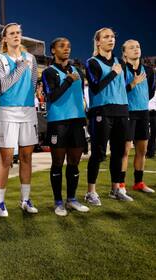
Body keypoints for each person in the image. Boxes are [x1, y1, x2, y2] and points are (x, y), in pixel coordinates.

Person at [0, 23, 38, 217]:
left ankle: (25, 199)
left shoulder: (31, 58)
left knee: (27, 157)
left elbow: (33, 84)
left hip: (28, 111)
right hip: (7, 112)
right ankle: (0, 203)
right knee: (6, 159)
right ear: (5, 39)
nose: (16, 36)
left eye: (18, 32)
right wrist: (19, 68)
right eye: (11, 33)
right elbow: (3, 86)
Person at [42, 38, 90, 216]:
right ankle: (58, 202)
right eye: (62, 46)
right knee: (57, 163)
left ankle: (72, 199)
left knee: (74, 163)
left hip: (77, 121)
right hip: (58, 122)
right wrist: (68, 81)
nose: (66, 49)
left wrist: (85, 118)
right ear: (53, 50)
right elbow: (52, 96)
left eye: (69, 46)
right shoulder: (48, 72)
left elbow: (81, 98)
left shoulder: (78, 71)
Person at [84, 27, 132, 206]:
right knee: (98, 153)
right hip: (101, 112)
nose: (111, 39)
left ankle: (116, 189)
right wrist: (113, 72)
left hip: (121, 111)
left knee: (119, 153)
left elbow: (121, 88)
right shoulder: (92, 62)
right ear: (98, 42)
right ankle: (91, 192)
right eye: (106, 37)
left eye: (112, 36)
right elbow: (95, 87)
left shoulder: (120, 62)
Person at [120, 40, 155, 193]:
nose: (136, 50)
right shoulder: (120, 69)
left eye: (138, 47)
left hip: (143, 112)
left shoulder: (148, 70)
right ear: (124, 53)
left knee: (142, 150)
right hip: (127, 112)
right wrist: (132, 84)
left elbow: (151, 92)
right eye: (132, 47)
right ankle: (120, 184)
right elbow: (117, 92)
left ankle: (138, 182)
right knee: (125, 151)